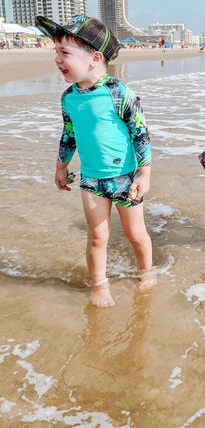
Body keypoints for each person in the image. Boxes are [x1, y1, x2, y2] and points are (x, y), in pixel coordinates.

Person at [35, 15, 154, 308]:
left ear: (94, 58)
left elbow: (140, 133)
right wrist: (61, 166)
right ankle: (100, 286)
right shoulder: (69, 98)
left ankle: (146, 272)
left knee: (135, 234)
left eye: (64, 53)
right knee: (98, 236)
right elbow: (69, 134)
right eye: (56, 52)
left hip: (126, 177)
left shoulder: (119, 94)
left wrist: (144, 174)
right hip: (91, 179)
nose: (57, 59)